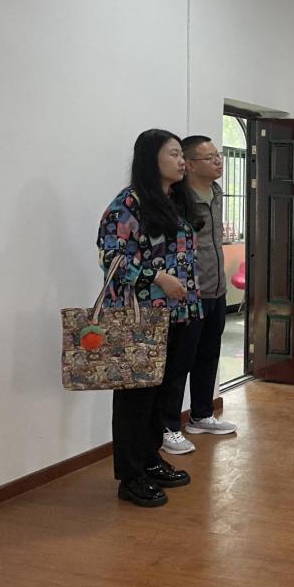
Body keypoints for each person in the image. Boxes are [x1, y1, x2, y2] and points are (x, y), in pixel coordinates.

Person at [96, 129, 203, 507]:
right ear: (150, 158)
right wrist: (157, 277)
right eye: (174, 154)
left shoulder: (176, 200)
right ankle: (130, 476)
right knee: (136, 397)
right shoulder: (128, 204)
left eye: (181, 155)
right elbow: (111, 258)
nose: (182, 161)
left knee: (163, 392)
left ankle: (150, 459)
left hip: (180, 314)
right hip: (140, 317)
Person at [154, 135, 238, 457]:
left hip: (216, 288)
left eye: (218, 155)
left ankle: (201, 415)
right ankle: (168, 426)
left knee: (209, 355)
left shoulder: (216, 192)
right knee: (180, 362)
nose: (218, 162)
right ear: (189, 164)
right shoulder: (178, 198)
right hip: (188, 294)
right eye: (210, 157)